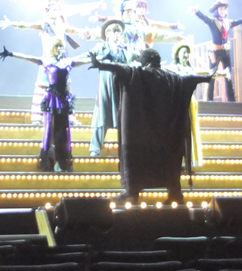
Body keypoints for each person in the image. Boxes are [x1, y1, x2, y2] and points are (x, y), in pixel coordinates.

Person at [88, 48, 213, 203]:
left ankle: (132, 193)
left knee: (135, 160)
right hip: (165, 137)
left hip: (139, 136)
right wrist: (206, 78)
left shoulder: (136, 74)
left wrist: (100, 64)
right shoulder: (172, 78)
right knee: (168, 161)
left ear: (145, 61)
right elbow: (189, 79)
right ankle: (174, 193)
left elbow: (119, 68)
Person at [0, 38, 90, 172]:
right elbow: (29, 58)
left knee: (62, 131)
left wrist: (98, 60)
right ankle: (50, 160)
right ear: (53, 48)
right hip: (52, 99)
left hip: (63, 100)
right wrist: (12, 54)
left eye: (61, 47)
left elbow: (85, 60)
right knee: (50, 130)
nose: (59, 49)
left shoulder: (67, 62)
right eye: (57, 47)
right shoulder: (47, 61)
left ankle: (62, 162)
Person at [0, 3, 87, 126]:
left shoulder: (62, 26)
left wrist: (85, 32)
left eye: (57, 10)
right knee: (42, 86)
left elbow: (74, 30)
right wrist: (12, 24)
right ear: (48, 12)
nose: (55, 12)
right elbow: (27, 25)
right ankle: (36, 117)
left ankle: (71, 117)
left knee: (67, 88)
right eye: (53, 10)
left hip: (62, 59)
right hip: (48, 59)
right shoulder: (43, 24)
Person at [188, 0, 242, 102]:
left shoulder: (228, 22)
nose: (222, 11)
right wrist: (197, 12)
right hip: (215, 52)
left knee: (229, 76)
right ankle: (208, 99)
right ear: (216, 10)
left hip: (225, 52)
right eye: (220, 9)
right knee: (211, 75)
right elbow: (204, 18)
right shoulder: (212, 21)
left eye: (224, 9)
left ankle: (231, 100)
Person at [86, 19, 134, 157]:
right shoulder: (101, 47)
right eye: (115, 31)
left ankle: (127, 150)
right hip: (107, 85)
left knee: (125, 115)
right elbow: (89, 55)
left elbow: (136, 58)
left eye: (119, 31)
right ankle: (95, 148)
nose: (118, 34)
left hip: (122, 85)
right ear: (108, 33)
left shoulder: (126, 48)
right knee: (102, 114)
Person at [163, 43, 207, 168]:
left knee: (189, 129)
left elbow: (205, 73)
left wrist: (222, 73)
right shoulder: (172, 68)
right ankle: (176, 159)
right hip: (176, 101)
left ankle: (189, 158)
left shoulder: (191, 70)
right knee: (177, 129)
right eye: (184, 52)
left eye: (188, 53)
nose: (186, 55)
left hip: (189, 101)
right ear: (177, 55)